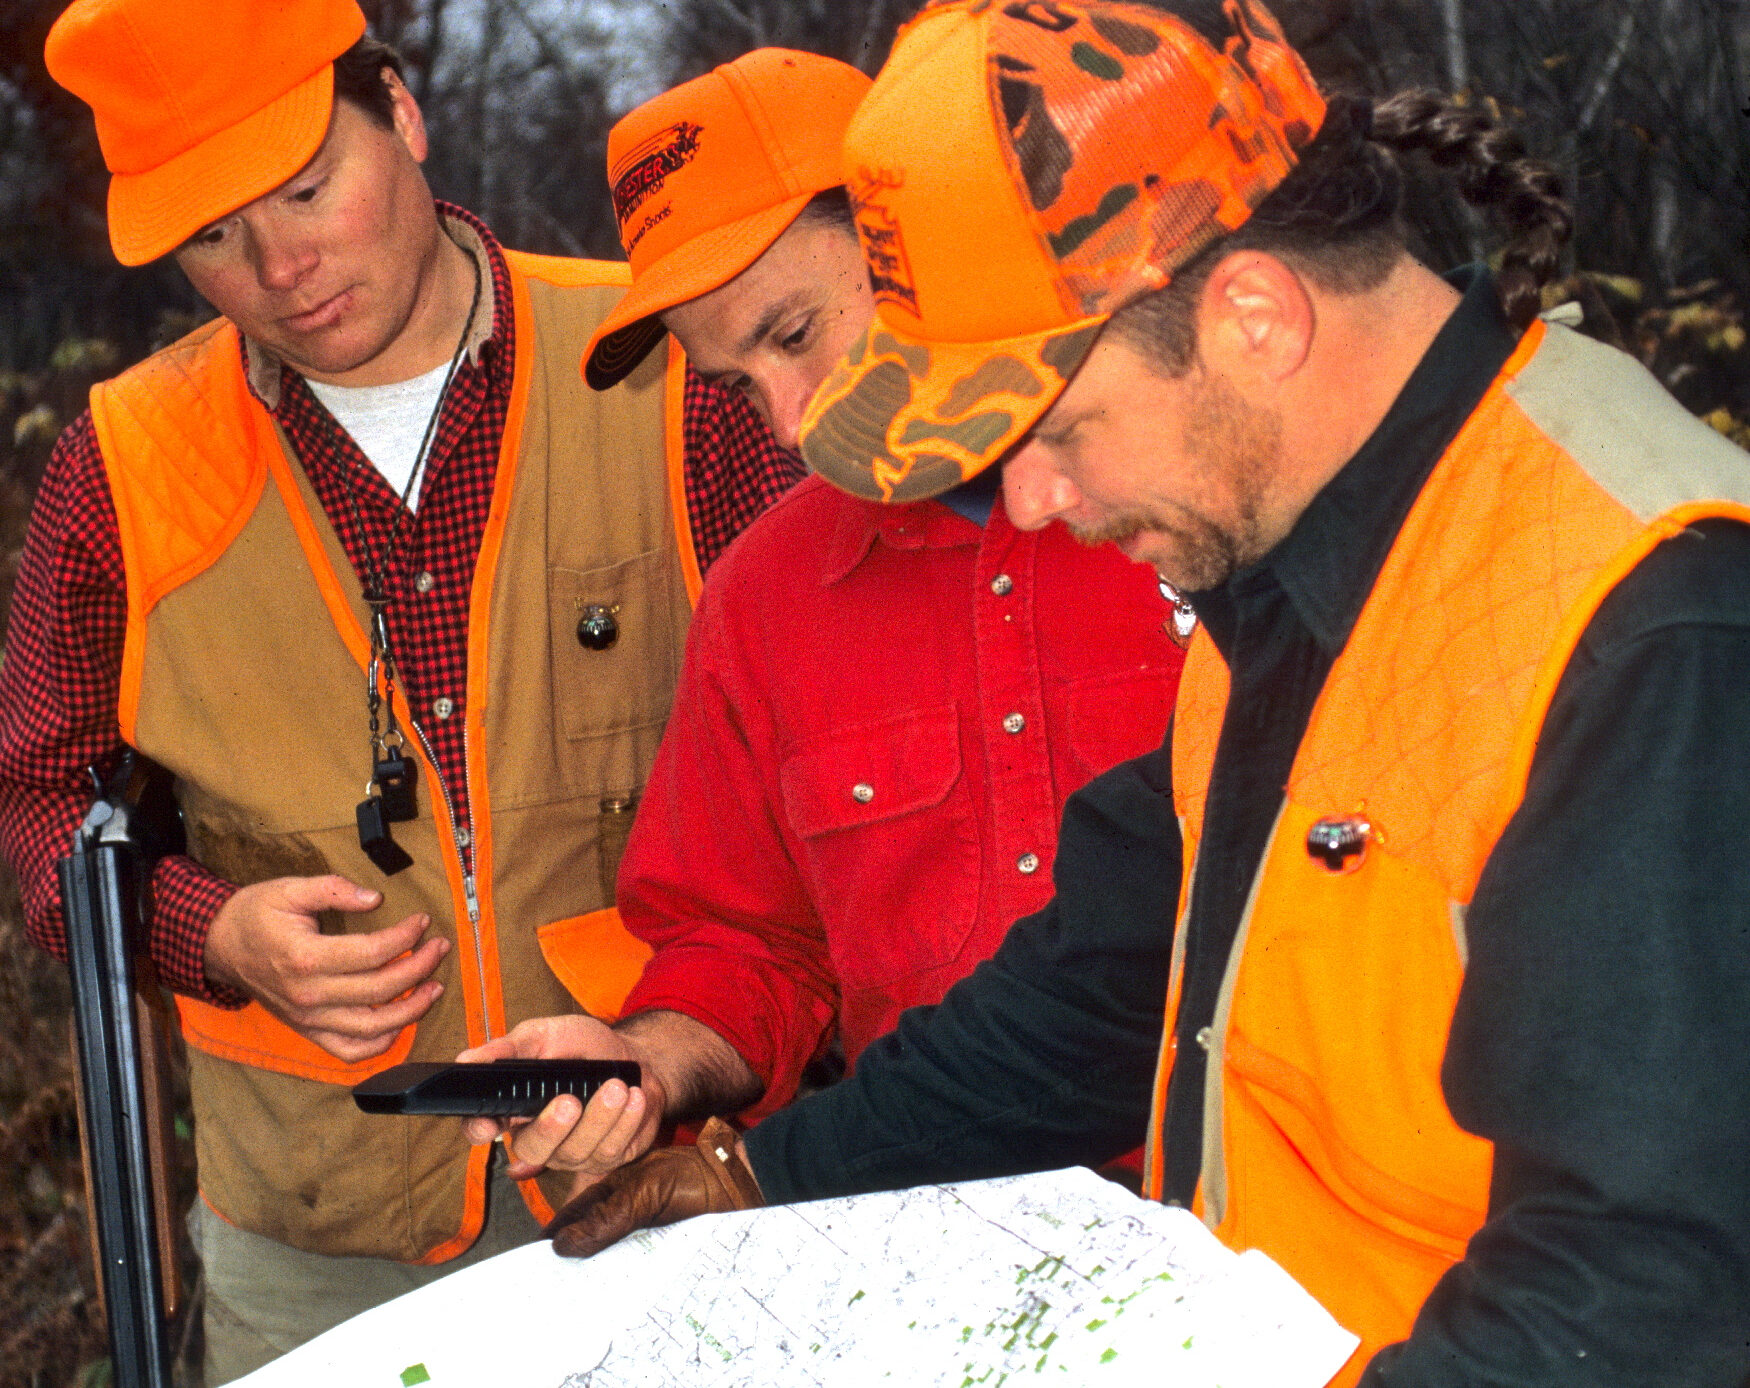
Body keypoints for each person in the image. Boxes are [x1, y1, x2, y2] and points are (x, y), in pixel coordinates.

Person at [541, 2, 1750, 1384]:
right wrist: (760, 1176)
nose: (1036, 503)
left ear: (1249, 316)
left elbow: (1642, 1293)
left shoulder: (1653, 630)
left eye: (1055, 431)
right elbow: (1104, 985)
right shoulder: (1306, 568)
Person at [0, 0, 798, 1378]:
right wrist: (217, 932)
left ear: (402, 113)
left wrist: (680, 1049)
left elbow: (828, 766)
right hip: (315, 1254)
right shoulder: (120, 470)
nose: (280, 263)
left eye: (309, 186)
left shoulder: (675, 367)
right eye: (213, 234)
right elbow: (33, 810)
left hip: (681, 1179)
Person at [457, 49, 1182, 1186]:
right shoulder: (762, 601)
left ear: (920, 236)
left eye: (793, 334)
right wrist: (641, 1062)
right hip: (935, 1235)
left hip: (1255, 1216)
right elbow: (743, 941)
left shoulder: (1184, 493)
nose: (789, 422)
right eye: (739, 383)